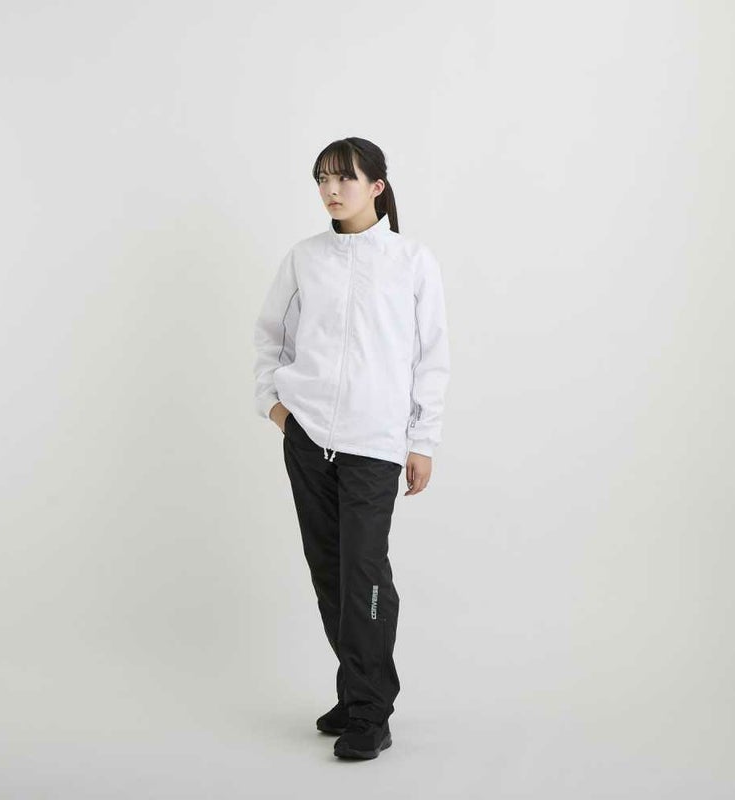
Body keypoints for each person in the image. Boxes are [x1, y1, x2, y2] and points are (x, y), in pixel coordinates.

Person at [252, 137, 450, 760]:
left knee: (364, 573)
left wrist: (422, 440)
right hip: (308, 438)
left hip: (374, 443)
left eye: (344, 178)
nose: (331, 191)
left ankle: (371, 711)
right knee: (329, 572)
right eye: (322, 179)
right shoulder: (304, 258)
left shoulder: (411, 261)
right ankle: (356, 692)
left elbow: (431, 357)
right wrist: (277, 409)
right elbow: (269, 338)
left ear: (377, 187)